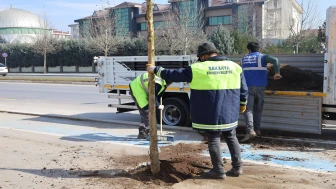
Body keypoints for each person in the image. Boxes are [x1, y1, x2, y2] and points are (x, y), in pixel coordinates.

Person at [147, 42, 248, 179]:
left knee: (213, 139)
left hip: (210, 112)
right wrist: (242, 105)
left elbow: (173, 75)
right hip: (229, 111)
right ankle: (238, 168)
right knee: (231, 137)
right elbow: (244, 89)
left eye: (200, 57)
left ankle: (218, 170)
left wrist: (155, 69)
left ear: (204, 56)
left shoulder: (197, 68)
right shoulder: (235, 67)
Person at [240, 42, 281, 142]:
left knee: (248, 109)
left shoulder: (243, 59)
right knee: (258, 108)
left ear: (249, 50)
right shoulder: (262, 57)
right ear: (259, 49)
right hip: (261, 86)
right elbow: (275, 60)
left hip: (248, 87)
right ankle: (257, 129)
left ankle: (250, 131)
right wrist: (277, 73)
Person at [129, 72, 171, 139]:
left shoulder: (162, 81)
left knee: (145, 113)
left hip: (141, 88)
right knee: (147, 111)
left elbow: (156, 95)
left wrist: (157, 104)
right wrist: (158, 105)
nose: (170, 84)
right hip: (137, 89)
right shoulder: (158, 83)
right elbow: (152, 96)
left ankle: (142, 133)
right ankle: (151, 135)